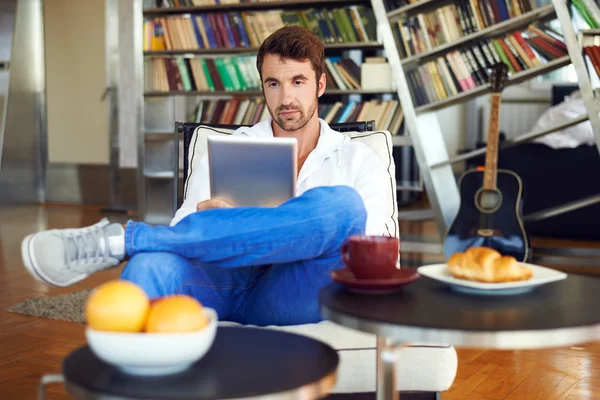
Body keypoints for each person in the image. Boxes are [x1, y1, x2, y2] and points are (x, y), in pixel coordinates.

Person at [20, 26, 393, 326]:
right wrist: (209, 217)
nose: (285, 99)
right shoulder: (230, 149)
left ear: (321, 85)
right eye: (273, 84)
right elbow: (183, 226)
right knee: (148, 265)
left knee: (344, 206)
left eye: (298, 82)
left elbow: (372, 249)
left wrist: (284, 231)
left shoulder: (356, 158)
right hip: (222, 280)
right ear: (262, 86)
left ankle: (126, 238)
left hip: (295, 288)